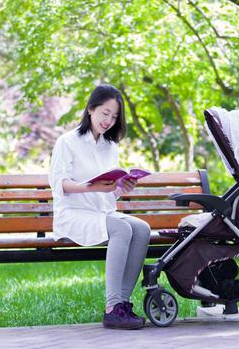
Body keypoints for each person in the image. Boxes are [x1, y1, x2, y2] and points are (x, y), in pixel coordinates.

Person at [49, 84, 151, 330]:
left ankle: (122, 304)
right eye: (105, 113)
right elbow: (59, 184)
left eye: (114, 116)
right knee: (122, 228)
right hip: (73, 214)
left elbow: (108, 192)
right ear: (91, 108)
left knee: (143, 228)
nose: (109, 121)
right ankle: (112, 306)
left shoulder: (110, 146)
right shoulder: (68, 142)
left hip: (102, 213)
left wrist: (120, 187)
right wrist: (93, 187)